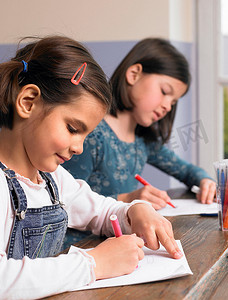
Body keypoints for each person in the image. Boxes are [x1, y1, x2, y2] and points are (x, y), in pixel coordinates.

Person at [0, 35, 183, 300]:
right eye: (73, 129)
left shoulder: (52, 179)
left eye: (85, 136)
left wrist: (135, 211)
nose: (79, 148)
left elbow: (102, 212)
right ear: (28, 102)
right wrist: (94, 264)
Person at [63, 38, 216, 210]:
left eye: (173, 102)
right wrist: (127, 199)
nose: (167, 106)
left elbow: (186, 170)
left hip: (122, 236)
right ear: (134, 74)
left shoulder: (144, 141)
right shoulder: (90, 134)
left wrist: (205, 181)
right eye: (164, 92)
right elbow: (65, 200)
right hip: (86, 238)